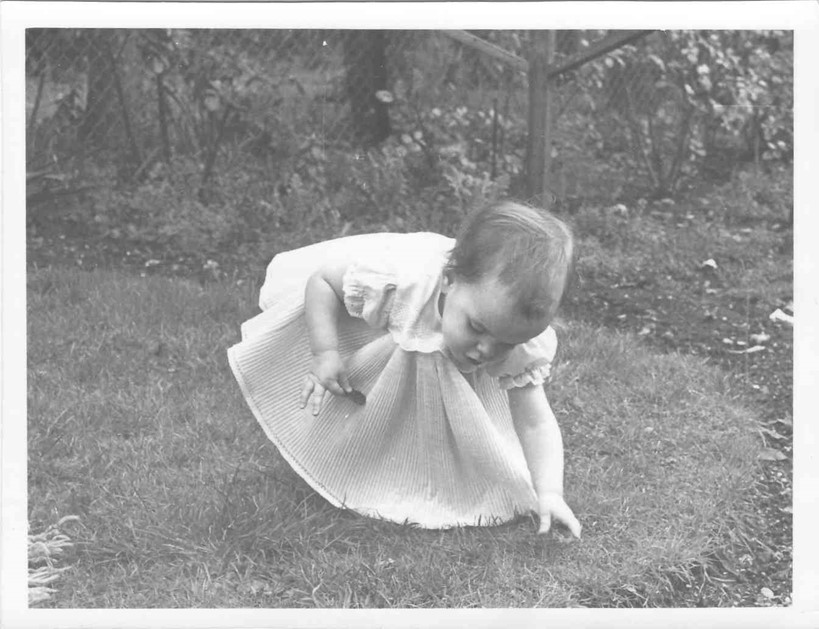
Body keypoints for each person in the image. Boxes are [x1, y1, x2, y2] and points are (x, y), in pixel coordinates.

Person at [227, 200, 581, 537]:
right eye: (477, 328)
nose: (487, 350)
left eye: (507, 342)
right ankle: (370, 458)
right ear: (449, 280)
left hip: (439, 320)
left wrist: (550, 492)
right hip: (393, 318)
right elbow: (323, 281)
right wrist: (325, 353)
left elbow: (535, 421)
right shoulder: (399, 281)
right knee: (392, 376)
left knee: (451, 387)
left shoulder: (511, 333)